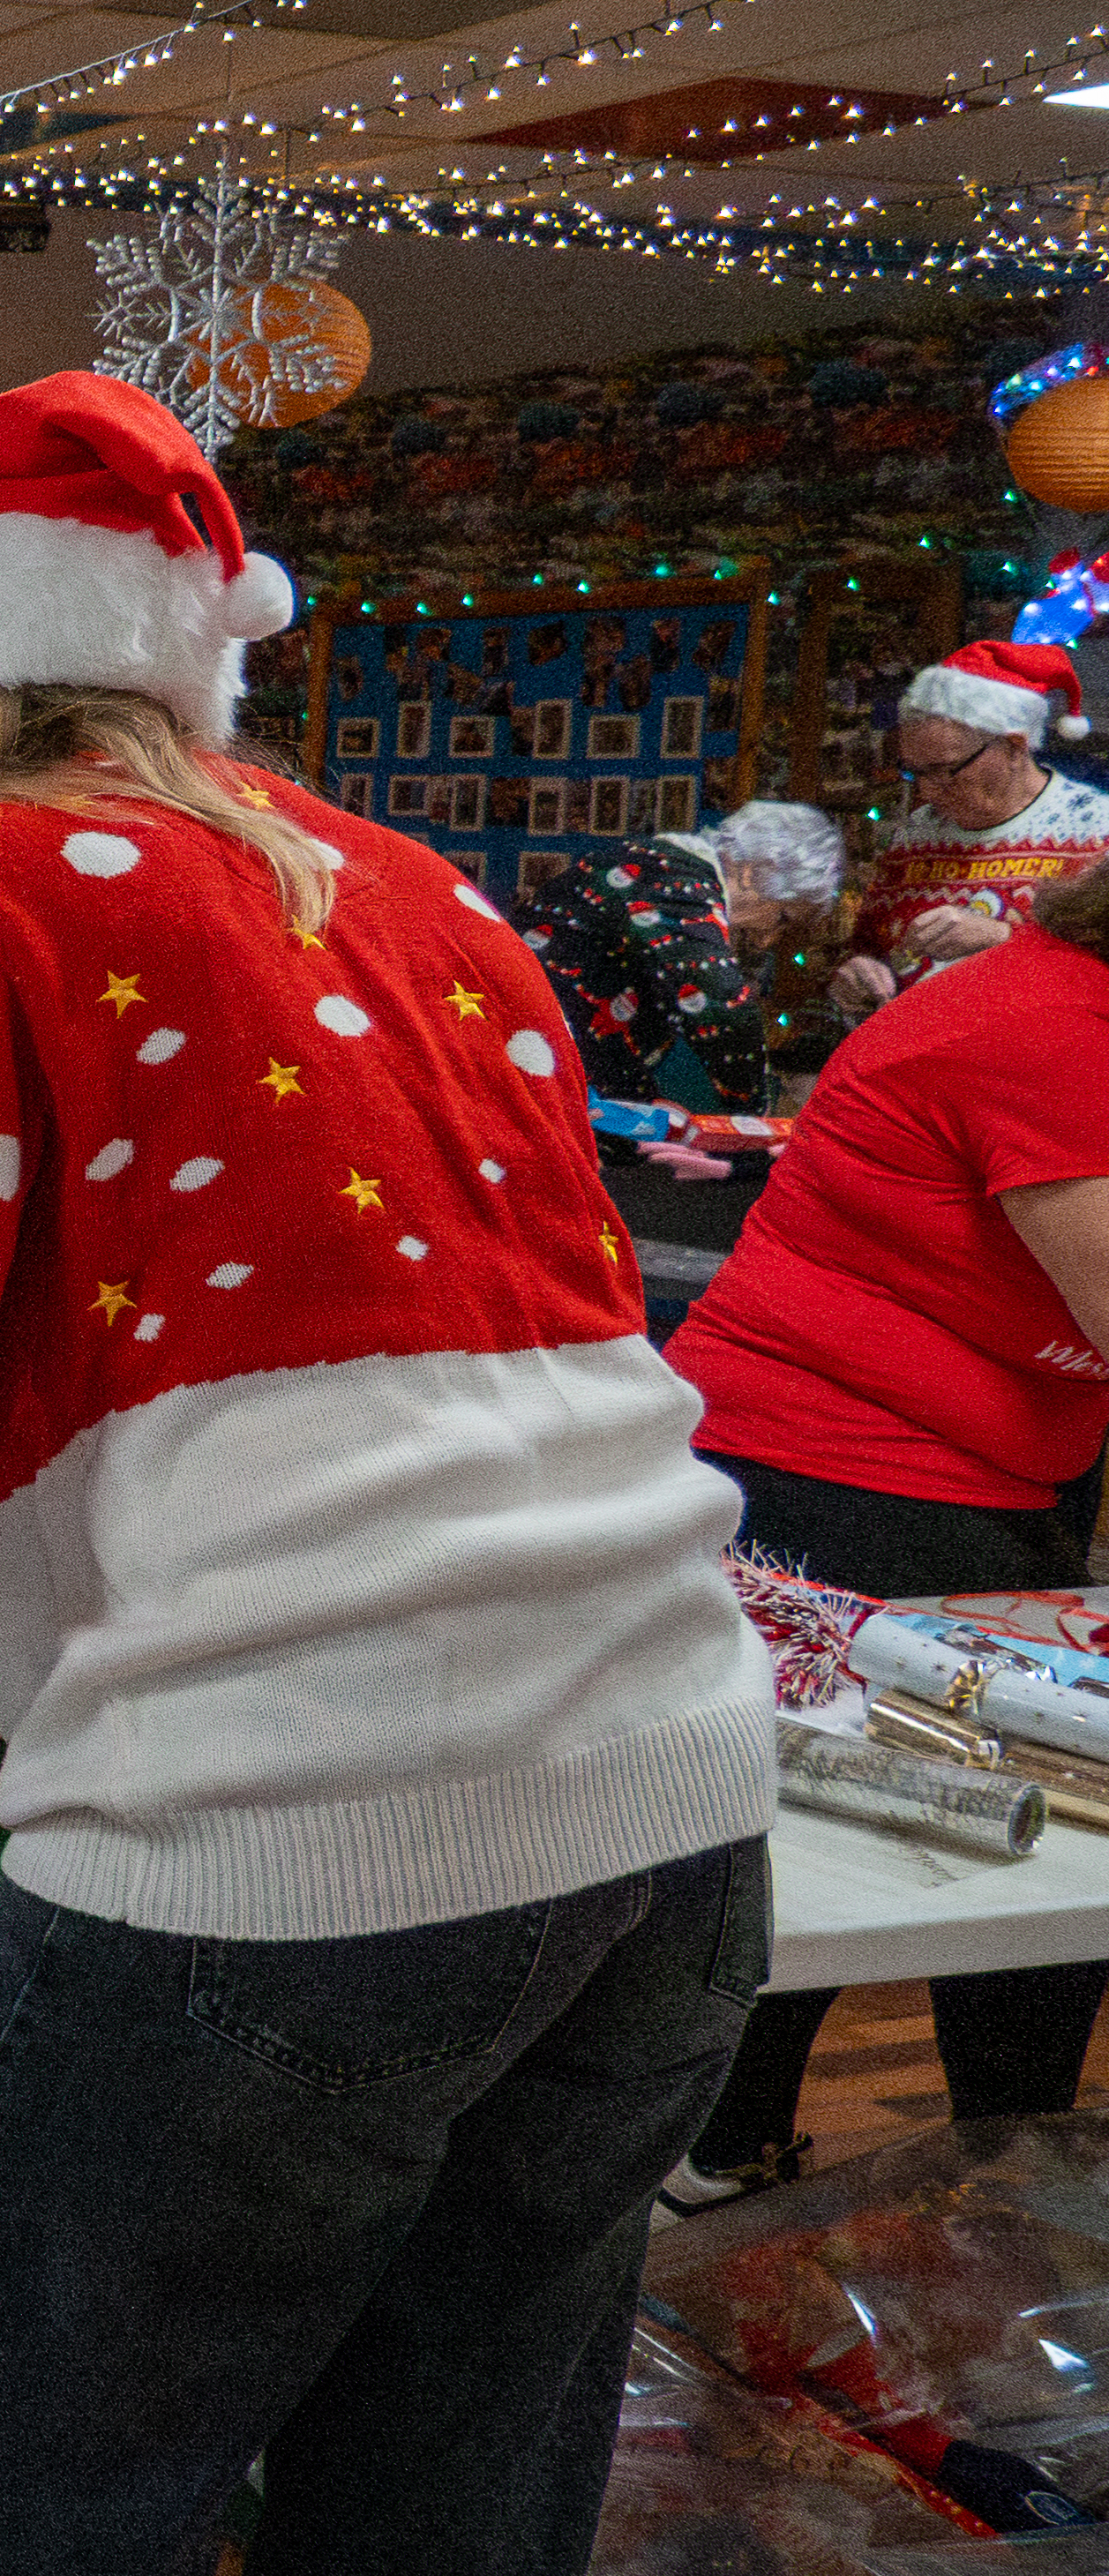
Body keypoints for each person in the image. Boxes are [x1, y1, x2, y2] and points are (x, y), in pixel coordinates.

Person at [0, 373, 773, 2572]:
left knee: (4, 2511)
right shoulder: (420, 898)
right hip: (669, 1796)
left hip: (283, 1815)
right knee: (447, 2502)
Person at [654, 855, 1109, 2208]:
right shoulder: (1054, 1033)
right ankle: (1006, 2178)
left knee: (927, 1836)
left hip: (961, 1468)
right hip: (844, 1472)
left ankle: (980, 2167)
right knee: (888, 1842)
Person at [838, 640, 1109, 1013]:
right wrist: (859, 973)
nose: (928, 791)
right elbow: (872, 942)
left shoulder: (1096, 830)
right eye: (916, 772)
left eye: (945, 770)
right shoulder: (916, 833)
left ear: (1015, 747)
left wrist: (1003, 938)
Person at [511, 815, 782, 1111]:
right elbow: (722, 1009)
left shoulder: (650, 859)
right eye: (784, 918)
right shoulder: (680, 881)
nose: (768, 940)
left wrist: (638, 1101)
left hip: (544, 1050)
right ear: (751, 873)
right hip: (541, 1058)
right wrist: (753, 1117)